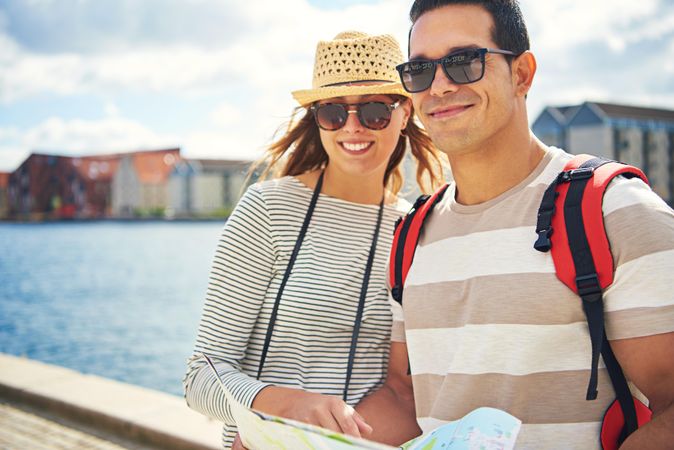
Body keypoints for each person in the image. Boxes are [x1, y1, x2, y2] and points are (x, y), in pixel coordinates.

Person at [356, 1, 674, 449]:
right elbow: (406, 396)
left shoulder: (613, 210)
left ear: (522, 74)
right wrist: (306, 438)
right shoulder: (411, 234)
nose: (439, 86)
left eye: (463, 62)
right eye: (420, 70)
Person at [183, 30, 444, 449]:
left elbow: (402, 391)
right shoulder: (268, 210)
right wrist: (283, 407)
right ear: (317, 119)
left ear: (405, 111)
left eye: (375, 111)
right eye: (333, 113)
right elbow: (202, 376)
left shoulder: (411, 229)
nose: (353, 128)